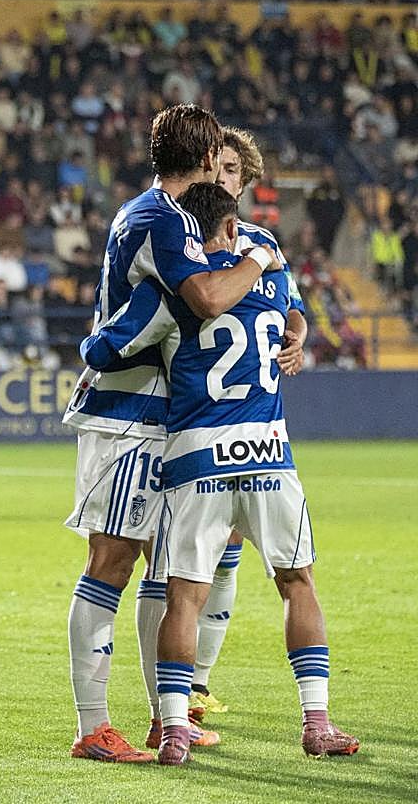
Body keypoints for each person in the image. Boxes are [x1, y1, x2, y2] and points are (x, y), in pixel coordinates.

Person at [81, 182, 359, 764]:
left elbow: (101, 352)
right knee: (296, 582)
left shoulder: (171, 293)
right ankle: (317, 722)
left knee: (183, 595)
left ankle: (176, 728)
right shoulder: (271, 273)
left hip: (196, 457)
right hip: (269, 454)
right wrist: (296, 336)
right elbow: (292, 319)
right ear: (233, 226)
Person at [60, 104, 282, 763]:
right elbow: (207, 299)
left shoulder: (175, 217)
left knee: (169, 564)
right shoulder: (159, 217)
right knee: (113, 559)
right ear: (211, 154)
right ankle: (92, 725)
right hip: (129, 415)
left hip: (171, 416)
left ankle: (168, 718)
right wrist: (263, 258)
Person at [158, 127, 312, 722]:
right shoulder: (184, 238)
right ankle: (170, 696)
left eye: (228, 170)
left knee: (223, 555)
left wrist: (296, 340)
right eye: (211, 167)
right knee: (178, 568)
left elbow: (291, 308)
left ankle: (190, 687)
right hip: (182, 418)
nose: (217, 177)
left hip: (235, 426)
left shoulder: (261, 243)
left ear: (243, 182)